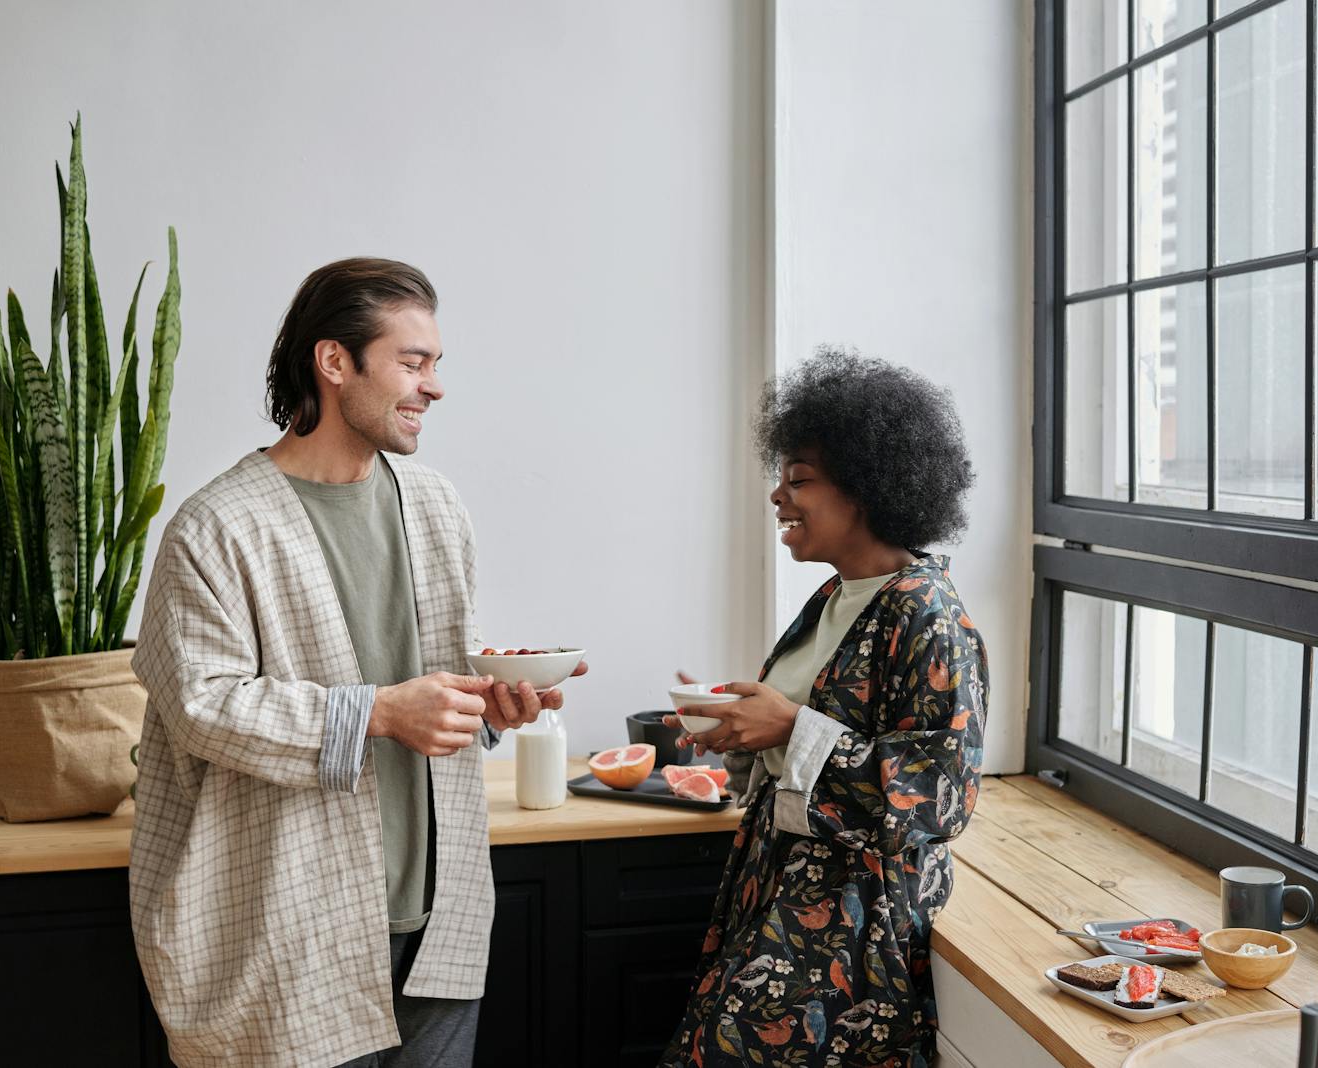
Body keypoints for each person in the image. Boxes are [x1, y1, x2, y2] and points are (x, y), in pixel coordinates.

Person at [129, 258, 583, 1067]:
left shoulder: (436, 504)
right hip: (289, 939)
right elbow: (201, 706)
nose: (434, 387)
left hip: (437, 922)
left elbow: (429, 683)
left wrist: (490, 705)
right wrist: (377, 712)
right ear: (334, 362)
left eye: (436, 364)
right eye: (412, 363)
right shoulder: (216, 528)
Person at [659, 349, 987, 1067]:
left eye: (799, 480)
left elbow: (944, 794)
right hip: (781, 887)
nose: (779, 496)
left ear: (866, 490)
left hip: (854, 920)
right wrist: (744, 729)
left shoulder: (926, 614)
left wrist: (788, 728)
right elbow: (812, 730)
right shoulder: (836, 597)